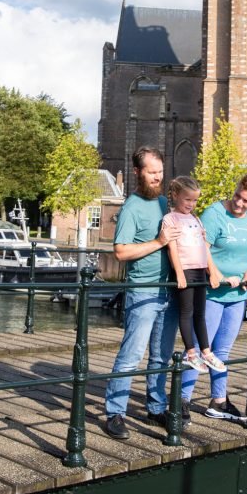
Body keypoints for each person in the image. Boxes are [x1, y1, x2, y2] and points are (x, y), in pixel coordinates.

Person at [103, 146, 181, 440]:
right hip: (143, 291)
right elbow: (121, 252)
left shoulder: (164, 203)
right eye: (152, 172)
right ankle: (115, 412)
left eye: (160, 171)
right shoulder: (131, 207)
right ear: (137, 172)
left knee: (161, 355)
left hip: (168, 291)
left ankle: (156, 406)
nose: (158, 177)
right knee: (132, 354)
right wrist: (159, 241)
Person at [181, 171, 247, 421]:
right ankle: (182, 401)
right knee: (197, 349)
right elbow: (201, 247)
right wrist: (214, 273)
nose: (239, 204)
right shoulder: (215, 214)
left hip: (237, 295)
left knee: (223, 351)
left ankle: (218, 401)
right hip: (212, 293)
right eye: (238, 196)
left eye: (246, 201)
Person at [163, 176, 226, 373]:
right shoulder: (170, 219)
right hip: (185, 270)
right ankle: (191, 353)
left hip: (200, 271)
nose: (192, 204)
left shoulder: (196, 220)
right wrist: (179, 273)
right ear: (175, 196)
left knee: (200, 312)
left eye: (195, 200)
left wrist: (212, 272)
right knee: (187, 311)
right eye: (187, 199)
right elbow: (172, 248)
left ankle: (206, 352)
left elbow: (204, 248)